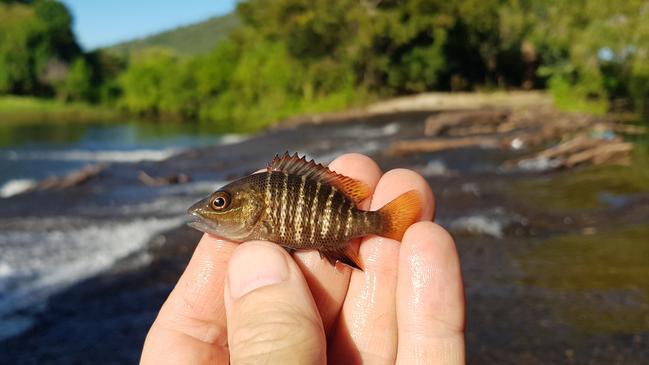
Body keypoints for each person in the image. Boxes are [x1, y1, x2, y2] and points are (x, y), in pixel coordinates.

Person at [140, 153, 465, 364]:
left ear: (250, 205)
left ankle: (386, 222)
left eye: (221, 203)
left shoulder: (262, 205)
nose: (205, 212)